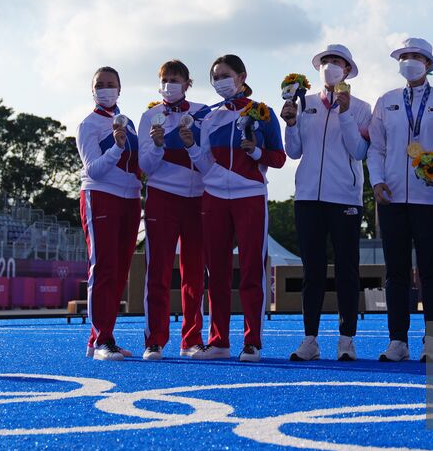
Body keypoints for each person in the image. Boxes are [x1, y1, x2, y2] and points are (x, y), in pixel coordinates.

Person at [183, 54, 286, 361]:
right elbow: (203, 163)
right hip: (213, 196)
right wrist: (189, 145)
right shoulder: (208, 117)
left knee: (252, 270)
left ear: (242, 77)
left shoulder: (263, 113)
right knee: (216, 272)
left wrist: (256, 152)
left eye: (224, 75)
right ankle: (219, 342)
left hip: (250, 195)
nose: (219, 82)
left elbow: (279, 159)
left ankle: (252, 341)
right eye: (214, 77)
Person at [368, 37, 433, 363]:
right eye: (404, 56)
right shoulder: (386, 101)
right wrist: (377, 181)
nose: (409, 61)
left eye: (416, 57)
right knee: (395, 273)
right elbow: (376, 148)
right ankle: (398, 341)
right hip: (392, 198)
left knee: (431, 271)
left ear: (428, 64)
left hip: (432, 196)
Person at [282, 44, 372, 362]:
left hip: (345, 197)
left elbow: (359, 151)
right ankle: (310, 339)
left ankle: (346, 339)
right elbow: (294, 152)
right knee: (313, 271)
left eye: (337, 62)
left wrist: (345, 113)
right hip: (308, 197)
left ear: (348, 70)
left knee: (347, 270)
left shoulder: (361, 108)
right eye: (326, 61)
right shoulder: (302, 104)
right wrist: (290, 123)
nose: (330, 66)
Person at [137, 60, 211, 360]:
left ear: (188, 83)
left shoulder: (204, 113)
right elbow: (144, 167)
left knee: (194, 273)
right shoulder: (148, 116)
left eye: (175, 79)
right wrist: (156, 146)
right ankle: (154, 339)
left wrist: (190, 145)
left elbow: (208, 162)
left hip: (197, 199)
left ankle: (191, 339)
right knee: (158, 271)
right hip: (161, 198)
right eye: (165, 79)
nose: (170, 84)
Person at [75, 65, 143, 361]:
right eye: (99, 84)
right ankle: (103, 339)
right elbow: (94, 169)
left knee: (118, 272)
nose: (105, 88)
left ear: (120, 88)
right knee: (102, 269)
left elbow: (137, 165)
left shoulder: (126, 123)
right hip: (100, 196)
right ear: (92, 90)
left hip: (130, 199)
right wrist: (115, 148)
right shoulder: (88, 124)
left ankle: (99, 339)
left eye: (110, 83)